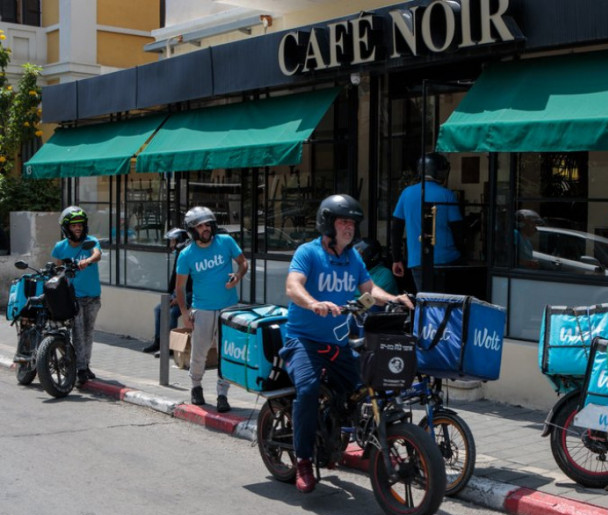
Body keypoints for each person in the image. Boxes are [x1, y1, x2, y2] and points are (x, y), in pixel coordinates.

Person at [281, 194, 414, 494]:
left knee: (362, 388)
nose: (349, 228)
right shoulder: (308, 253)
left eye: (352, 223)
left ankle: (336, 435)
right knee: (308, 390)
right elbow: (293, 286)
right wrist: (313, 303)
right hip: (304, 341)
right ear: (327, 223)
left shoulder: (352, 257)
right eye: (343, 222)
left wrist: (394, 298)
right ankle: (303, 460)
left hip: (338, 343)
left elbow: (370, 290)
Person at [174, 207, 248, 413]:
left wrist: (238, 276)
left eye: (208, 224)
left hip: (228, 309)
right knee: (199, 352)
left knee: (227, 353)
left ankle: (222, 394)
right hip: (202, 309)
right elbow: (179, 288)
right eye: (200, 226)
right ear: (192, 230)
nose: (205, 228)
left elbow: (243, 263)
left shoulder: (226, 242)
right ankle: (196, 386)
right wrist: (184, 313)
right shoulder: (186, 255)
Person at [391, 152, 466, 292]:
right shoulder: (447, 194)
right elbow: (458, 230)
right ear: (439, 172)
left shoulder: (406, 193)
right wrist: (463, 253)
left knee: (425, 300)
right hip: (447, 259)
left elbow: (396, 229)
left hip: (417, 260)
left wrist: (396, 258)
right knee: (447, 301)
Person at [52, 206, 102, 387]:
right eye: (74, 225)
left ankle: (85, 365)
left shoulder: (91, 241)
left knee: (89, 332)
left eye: (80, 225)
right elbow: (57, 270)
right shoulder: (60, 247)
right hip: (74, 297)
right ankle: (80, 368)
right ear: (67, 228)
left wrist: (87, 261)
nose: (78, 228)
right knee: (78, 333)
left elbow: (97, 254)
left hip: (93, 296)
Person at [143, 228, 192, 354]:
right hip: (177, 293)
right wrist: (169, 295)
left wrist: (179, 298)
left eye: (173, 241)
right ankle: (158, 342)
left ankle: (169, 346)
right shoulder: (179, 254)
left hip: (189, 293)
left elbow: (191, 284)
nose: (171, 245)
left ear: (180, 241)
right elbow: (174, 277)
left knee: (172, 313)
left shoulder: (188, 255)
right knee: (158, 309)